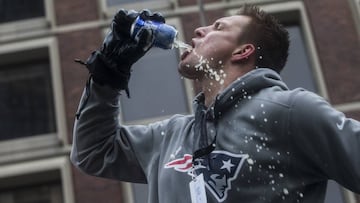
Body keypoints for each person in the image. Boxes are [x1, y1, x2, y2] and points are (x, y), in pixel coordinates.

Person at [70, 4, 360, 203]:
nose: (198, 31)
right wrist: (109, 70)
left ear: (243, 51)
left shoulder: (289, 113)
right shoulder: (170, 137)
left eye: (217, 27)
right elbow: (93, 151)